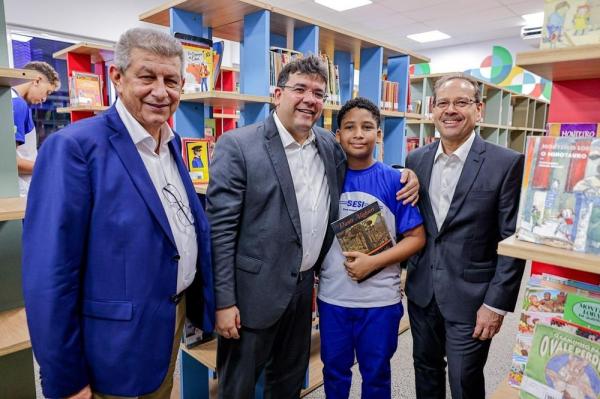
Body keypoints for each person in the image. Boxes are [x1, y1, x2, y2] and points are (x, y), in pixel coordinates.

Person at [206, 55, 419, 399]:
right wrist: (223, 302)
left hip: (305, 291)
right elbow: (220, 231)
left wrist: (408, 175)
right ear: (278, 94)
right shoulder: (239, 145)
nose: (309, 99)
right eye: (300, 89)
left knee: (288, 383)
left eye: (318, 93)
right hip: (251, 296)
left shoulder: (327, 145)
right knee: (238, 388)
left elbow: (363, 161)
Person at [22, 27, 215, 399]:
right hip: (111, 347)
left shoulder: (170, 145)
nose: (161, 91)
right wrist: (67, 380)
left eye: (172, 80)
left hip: (165, 325)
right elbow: (50, 276)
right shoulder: (74, 148)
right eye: (147, 77)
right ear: (117, 77)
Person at [405, 74, 526, 398]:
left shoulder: (506, 163)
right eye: (443, 103)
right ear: (432, 110)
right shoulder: (415, 160)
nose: (450, 110)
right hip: (422, 293)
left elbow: (512, 241)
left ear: (479, 109)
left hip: (473, 299)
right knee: (425, 371)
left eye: (461, 102)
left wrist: (495, 305)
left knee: (464, 380)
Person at [317, 97, 426, 399]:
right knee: (334, 371)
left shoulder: (396, 180)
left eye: (367, 127)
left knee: (376, 373)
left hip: (379, 301)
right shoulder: (324, 179)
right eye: (349, 127)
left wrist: (373, 263)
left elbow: (416, 238)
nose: (358, 134)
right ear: (336, 135)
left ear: (379, 134)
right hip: (332, 298)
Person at [11, 61, 60, 197]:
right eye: (47, 92)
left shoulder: (8, 100)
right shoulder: (18, 105)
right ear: (37, 81)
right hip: (21, 192)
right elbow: (10, 162)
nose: (44, 99)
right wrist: (49, 166)